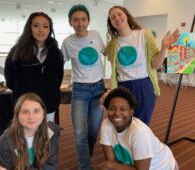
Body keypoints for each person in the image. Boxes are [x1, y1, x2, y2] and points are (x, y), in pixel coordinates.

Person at [104, 6, 179, 125]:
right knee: (122, 123)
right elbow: (107, 59)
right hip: (122, 87)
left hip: (143, 86)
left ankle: (139, 144)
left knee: (141, 125)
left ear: (127, 15)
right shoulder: (113, 44)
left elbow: (155, 65)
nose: (117, 18)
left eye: (119, 14)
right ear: (111, 23)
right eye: (113, 18)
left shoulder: (144, 34)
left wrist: (164, 47)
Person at [61, 4, 105, 170]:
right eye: (76, 20)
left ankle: (86, 159)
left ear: (88, 21)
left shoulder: (96, 35)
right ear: (70, 22)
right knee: (80, 133)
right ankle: (84, 167)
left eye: (83, 19)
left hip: (98, 89)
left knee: (93, 131)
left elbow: (109, 52)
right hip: (79, 90)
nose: (80, 24)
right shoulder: (67, 42)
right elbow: (58, 62)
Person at [98, 87, 178, 170]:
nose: (117, 113)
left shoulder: (140, 132)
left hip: (163, 166)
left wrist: (108, 165)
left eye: (123, 109)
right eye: (112, 109)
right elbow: (111, 161)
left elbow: (110, 165)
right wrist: (109, 165)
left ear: (131, 111)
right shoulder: (106, 125)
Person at [4, 12, 64, 123]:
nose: (41, 30)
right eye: (36, 26)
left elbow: (58, 78)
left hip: (48, 106)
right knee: (25, 138)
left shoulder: (56, 53)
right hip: (25, 106)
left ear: (49, 30)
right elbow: (10, 79)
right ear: (29, 27)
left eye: (45, 26)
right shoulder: (17, 51)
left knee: (48, 137)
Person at [0, 93, 59, 170]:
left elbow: (50, 166)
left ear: (43, 115)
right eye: (25, 112)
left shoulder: (50, 134)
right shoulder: (5, 141)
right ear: (17, 115)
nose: (31, 117)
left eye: (36, 111)